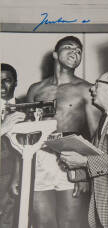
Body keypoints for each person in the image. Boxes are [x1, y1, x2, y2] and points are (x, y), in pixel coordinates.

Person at [11, 36, 101, 228]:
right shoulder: (35, 89)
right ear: (55, 54)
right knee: (43, 223)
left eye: (79, 51)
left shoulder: (86, 90)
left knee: (71, 223)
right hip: (39, 159)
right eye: (69, 47)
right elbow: (26, 134)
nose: (75, 52)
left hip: (70, 159)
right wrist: (19, 173)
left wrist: (84, 171)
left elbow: (96, 135)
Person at [59, 71, 108, 228]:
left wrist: (83, 161)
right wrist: (74, 167)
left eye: (97, 84)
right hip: (101, 206)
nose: (91, 89)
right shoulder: (105, 117)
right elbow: (98, 159)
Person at [0, 63, 25, 228]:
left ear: (15, 82)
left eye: (7, 80)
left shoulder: (28, 107)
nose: (1, 85)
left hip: (14, 175)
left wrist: (18, 175)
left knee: (10, 219)